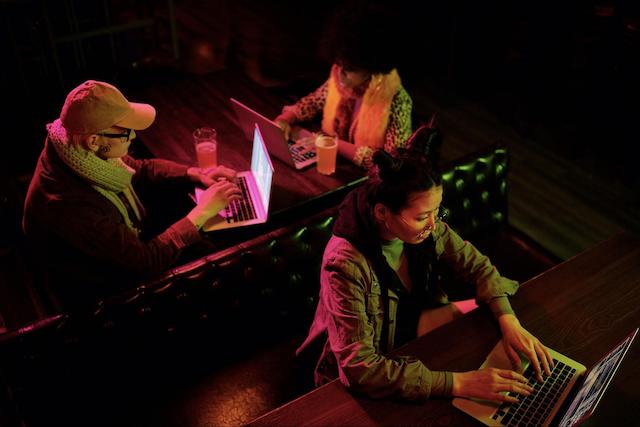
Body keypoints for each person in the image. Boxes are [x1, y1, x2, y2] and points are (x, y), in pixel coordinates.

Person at [296, 126, 554, 402]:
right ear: (382, 212)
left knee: (498, 329)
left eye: (437, 211)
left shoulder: (425, 228)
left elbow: (479, 268)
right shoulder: (346, 263)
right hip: (372, 357)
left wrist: (509, 322)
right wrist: (459, 384)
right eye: (422, 217)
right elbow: (360, 369)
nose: (433, 225)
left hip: (411, 326)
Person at [22, 80, 242, 311]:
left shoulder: (74, 146)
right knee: (214, 254)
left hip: (114, 248)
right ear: (94, 141)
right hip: (98, 292)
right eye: (126, 131)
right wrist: (201, 213)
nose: (134, 136)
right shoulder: (69, 206)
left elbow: (141, 168)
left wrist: (196, 173)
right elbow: (145, 261)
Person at [274, 1, 413, 169]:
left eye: (349, 70)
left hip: (365, 183)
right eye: (338, 65)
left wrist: (331, 143)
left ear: (371, 68)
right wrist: (284, 120)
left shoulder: (397, 99)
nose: (339, 75)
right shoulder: (339, 76)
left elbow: (393, 162)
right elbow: (310, 104)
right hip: (331, 165)